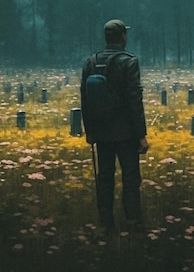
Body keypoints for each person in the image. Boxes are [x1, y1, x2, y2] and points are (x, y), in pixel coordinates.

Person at [80, 19, 149, 232]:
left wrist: (89, 131)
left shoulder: (91, 62)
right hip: (126, 132)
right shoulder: (129, 61)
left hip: (100, 131)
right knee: (130, 177)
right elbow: (133, 99)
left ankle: (106, 222)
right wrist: (141, 135)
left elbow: (85, 99)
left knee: (105, 177)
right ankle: (133, 221)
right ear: (123, 37)